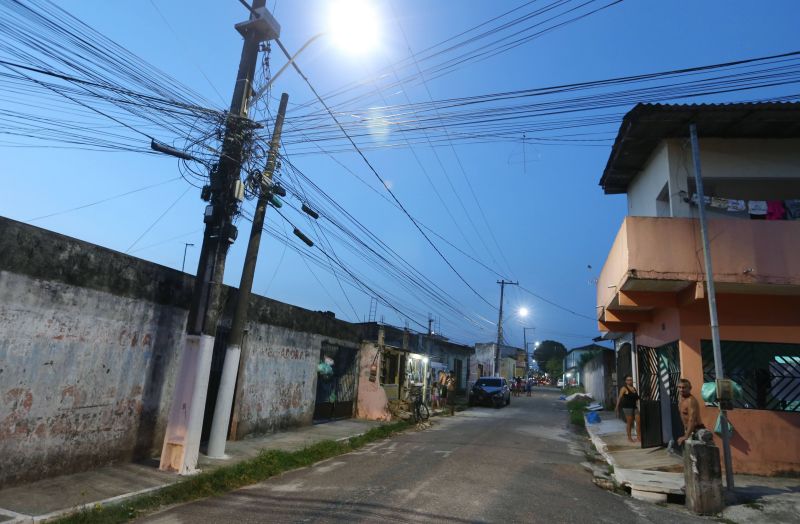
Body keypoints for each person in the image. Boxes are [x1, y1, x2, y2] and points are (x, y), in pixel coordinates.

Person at [677, 378, 704, 447]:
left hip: (698, 432)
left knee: (698, 456)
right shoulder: (680, 398)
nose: (681, 390)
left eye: (684, 387)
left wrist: (686, 436)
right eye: (679, 387)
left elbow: (692, 419)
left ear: (690, 388)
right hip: (689, 431)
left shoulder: (691, 401)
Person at [615, 375, 641, 442]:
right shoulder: (624, 388)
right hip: (627, 407)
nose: (630, 381)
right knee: (629, 422)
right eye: (628, 380)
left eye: (631, 380)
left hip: (634, 407)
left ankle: (639, 437)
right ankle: (629, 438)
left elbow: (637, 398)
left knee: (638, 421)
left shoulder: (634, 388)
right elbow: (619, 398)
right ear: (626, 381)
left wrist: (639, 405)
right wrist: (617, 407)